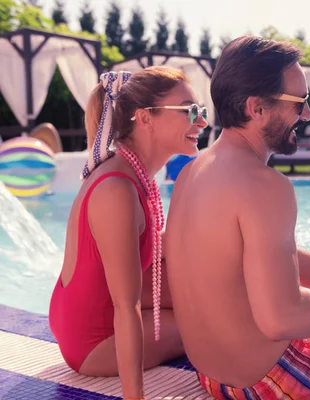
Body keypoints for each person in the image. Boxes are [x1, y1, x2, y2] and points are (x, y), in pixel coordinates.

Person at [165, 36, 310, 400]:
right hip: (270, 382)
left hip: (212, 376)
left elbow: (255, 259)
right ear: (257, 108)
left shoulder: (193, 172)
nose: (308, 115)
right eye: (300, 103)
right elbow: (280, 318)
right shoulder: (265, 185)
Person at [49, 66, 208, 400]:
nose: (202, 122)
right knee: (208, 321)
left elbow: (171, 248)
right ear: (145, 118)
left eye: (202, 111)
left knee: (213, 287)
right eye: (191, 111)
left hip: (93, 311)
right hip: (93, 340)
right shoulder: (117, 191)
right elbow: (126, 306)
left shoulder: (135, 175)